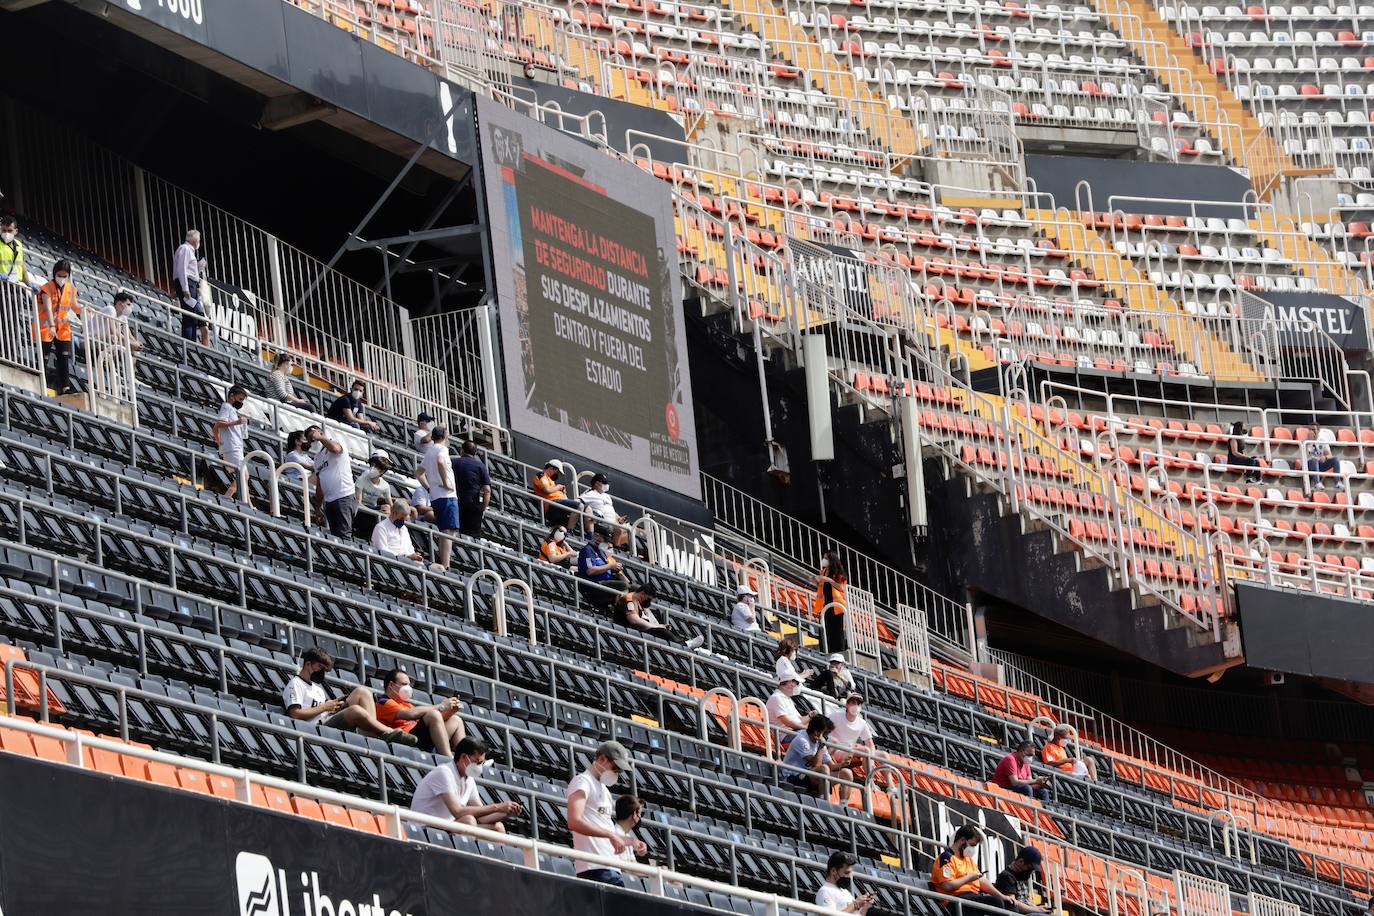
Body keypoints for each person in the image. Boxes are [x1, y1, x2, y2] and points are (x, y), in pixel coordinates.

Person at [281, 646, 417, 746]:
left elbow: (322, 709)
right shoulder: (295, 684)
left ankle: (375, 734)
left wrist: (333, 706)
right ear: (308, 664)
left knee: (363, 692)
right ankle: (387, 732)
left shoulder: (318, 689)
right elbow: (295, 713)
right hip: (315, 728)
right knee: (356, 710)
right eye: (320, 667)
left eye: (324, 669)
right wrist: (324, 708)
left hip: (326, 718)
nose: (322, 671)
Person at [565, 740, 639, 886]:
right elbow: (574, 821)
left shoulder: (605, 790)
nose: (617, 773)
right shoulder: (582, 781)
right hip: (594, 867)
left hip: (610, 866)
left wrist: (632, 842)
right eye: (615, 768)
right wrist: (610, 835)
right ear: (601, 759)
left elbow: (605, 829)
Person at [410, 737, 521, 832]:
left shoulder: (469, 779)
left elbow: (483, 818)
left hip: (445, 827)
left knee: (498, 827)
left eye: (482, 763)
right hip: (424, 827)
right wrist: (497, 806)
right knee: (468, 821)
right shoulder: (443, 772)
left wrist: (507, 812)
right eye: (477, 762)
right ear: (463, 757)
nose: (479, 767)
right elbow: (457, 811)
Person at [376, 669, 465, 756]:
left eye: (409, 684)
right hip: (407, 739)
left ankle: (463, 757)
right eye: (404, 684)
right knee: (433, 714)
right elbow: (409, 714)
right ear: (391, 685)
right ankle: (448, 758)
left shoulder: (407, 704)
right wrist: (441, 706)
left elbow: (435, 722)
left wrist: (450, 712)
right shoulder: (384, 702)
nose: (408, 688)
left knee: (456, 720)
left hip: (421, 738)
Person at [930, 825, 1016, 910]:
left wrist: (1002, 896)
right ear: (962, 840)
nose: (973, 849)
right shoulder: (946, 858)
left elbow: (981, 880)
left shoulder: (968, 859)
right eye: (971, 845)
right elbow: (947, 885)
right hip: (954, 901)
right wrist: (969, 878)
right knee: (995, 902)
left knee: (1009, 904)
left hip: (972, 897)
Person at [612, 583, 705, 648]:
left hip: (635, 629)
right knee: (662, 631)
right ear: (642, 594)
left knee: (667, 628)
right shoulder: (629, 599)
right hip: (627, 629)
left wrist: (658, 625)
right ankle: (685, 646)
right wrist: (657, 626)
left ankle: (685, 643)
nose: (649, 601)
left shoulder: (638, 602)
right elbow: (634, 620)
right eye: (648, 598)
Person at [37, 259, 81, 395]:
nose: (62, 278)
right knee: (44, 355)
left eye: (64, 276)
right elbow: (48, 308)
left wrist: (84, 309)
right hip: (46, 325)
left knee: (64, 357)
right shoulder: (47, 288)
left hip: (62, 327)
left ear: (68, 276)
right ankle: (41, 381)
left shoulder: (71, 289)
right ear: (54, 273)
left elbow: (74, 306)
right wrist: (51, 325)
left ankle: (65, 387)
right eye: (59, 275)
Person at [419, 426, 459, 571]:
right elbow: (441, 462)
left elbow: (418, 473)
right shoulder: (442, 450)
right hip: (446, 495)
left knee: (444, 530)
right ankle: (445, 564)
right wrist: (445, 482)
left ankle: (444, 563)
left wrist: (429, 487)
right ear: (445, 436)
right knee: (449, 531)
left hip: (435, 496)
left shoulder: (429, 451)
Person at [306, 424, 355, 539]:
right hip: (329, 500)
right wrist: (318, 508)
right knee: (335, 537)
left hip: (343, 496)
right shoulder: (317, 458)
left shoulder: (336, 442)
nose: (312, 441)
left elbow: (335, 449)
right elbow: (319, 484)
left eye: (312, 437)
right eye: (310, 439)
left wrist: (321, 437)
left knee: (344, 536)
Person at [783, 714, 852, 795]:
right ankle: (824, 802)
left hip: (808, 776)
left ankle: (843, 805)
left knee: (846, 773)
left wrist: (843, 764)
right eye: (825, 733)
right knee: (824, 768)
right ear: (816, 732)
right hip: (793, 777)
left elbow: (832, 766)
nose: (827, 736)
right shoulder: (801, 740)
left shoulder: (819, 742)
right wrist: (821, 746)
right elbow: (815, 765)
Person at [213, 385, 250, 503]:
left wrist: (219, 442)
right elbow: (219, 424)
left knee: (244, 476)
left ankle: (249, 504)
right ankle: (227, 497)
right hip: (232, 447)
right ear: (232, 396)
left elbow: (215, 429)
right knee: (243, 476)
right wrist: (237, 422)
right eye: (239, 399)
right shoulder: (226, 406)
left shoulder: (232, 410)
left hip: (235, 447)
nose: (241, 402)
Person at [172, 229, 209, 346]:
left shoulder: (188, 251)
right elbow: (181, 269)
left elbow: (187, 270)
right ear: (195, 240)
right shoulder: (185, 249)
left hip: (190, 284)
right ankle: (188, 346)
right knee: (189, 316)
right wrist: (185, 289)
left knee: (192, 317)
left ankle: (191, 345)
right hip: (188, 285)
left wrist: (198, 267)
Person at [577, 525, 629, 606]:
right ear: (597, 536)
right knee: (624, 586)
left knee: (635, 588)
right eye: (605, 540)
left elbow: (606, 568)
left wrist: (617, 571)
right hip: (594, 585)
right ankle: (623, 610)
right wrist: (610, 566)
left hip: (606, 582)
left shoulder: (601, 552)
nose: (606, 543)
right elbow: (590, 571)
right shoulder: (588, 550)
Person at [827, 693, 876, 775]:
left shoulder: (862, 723)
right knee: (865, 750)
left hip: (850, 751)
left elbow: (870, 744)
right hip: (835, 750)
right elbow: (821, 724)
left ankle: (891, 786)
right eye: (853, 702)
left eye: (858, 704)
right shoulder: (835, 716)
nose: (856, 706)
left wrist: (872, 758)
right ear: (847, 704)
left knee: (883, 755)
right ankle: (870, 782)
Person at [993, 847, 1051, 914]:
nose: (1030, 871)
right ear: (1021, 861)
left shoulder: (1021, 877)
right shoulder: (1007, 876)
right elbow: (1013, 904)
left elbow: (1024, 901)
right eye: (1029, 868)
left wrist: (1038, 908)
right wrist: (1037, 910)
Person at [453, 440, 492, 539]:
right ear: (475, 453)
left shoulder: (453, 463)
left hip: (454, 502)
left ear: (462, 450)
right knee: (473, 538)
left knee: (454, 534)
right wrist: (482, 508)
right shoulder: (480, 466)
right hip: (472, 505)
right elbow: (487, 490)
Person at [580, 473, 629, 546]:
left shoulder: (607, 496)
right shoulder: (590, 493)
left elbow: (611, 510)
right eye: (604, 483)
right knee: (619, 530)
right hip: (601, 520)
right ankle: (614, 547)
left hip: (613, 522)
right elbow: (578, 502)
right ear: (597, 483)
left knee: (632, 530)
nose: (606, 485)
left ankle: (613, 545)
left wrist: (619, 518)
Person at [815, 551, 849, 654]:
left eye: (826, 558)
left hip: (837, 606)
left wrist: (828, 579)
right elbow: (821, 587)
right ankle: (825, 650)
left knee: (837, 630)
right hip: (825, 605)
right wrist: (815, 580)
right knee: (825, 628)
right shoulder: (823, 571)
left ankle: (839, 652)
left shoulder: (838, 572)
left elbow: (841, 587)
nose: (823, 560)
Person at [532, 460, 581, 529]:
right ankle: (570, 531)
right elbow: (547, 490)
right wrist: (559, 487)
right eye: (556, 472)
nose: (556, 475)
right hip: (551, 504)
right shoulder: (541, 475)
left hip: (557, 502)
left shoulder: (551, 480)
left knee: (583, 510)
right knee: (579, 506)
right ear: (551, 469)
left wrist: (562, 493)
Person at [767, 673, 815, 741]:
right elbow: (787, 722)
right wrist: (806, 728)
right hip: (784, 735)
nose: (798, 686)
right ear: (790, 683)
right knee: (813, 736)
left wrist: (810, 716)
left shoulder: (787, 699)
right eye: (797, 683)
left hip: (794, 732)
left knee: (827, 738)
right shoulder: (776, 697)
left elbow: (799, 721)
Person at [612, 795, 647, 870]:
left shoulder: (627, 836)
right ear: (634, 814)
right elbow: (627, 870)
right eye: (640, 813)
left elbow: (633, 866)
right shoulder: (616, 834)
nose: (640, 817)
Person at [0, 215, 27, 286]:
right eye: (4, 230)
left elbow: (22, 264)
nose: (6, 233)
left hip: (16, 284)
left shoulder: (19, 244)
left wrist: (28, 283)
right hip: (2, 283)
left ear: (16, 231)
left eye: (10, 231)